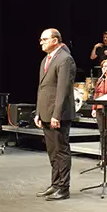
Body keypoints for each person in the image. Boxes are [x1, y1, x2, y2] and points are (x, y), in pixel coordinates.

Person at [34, 28, 76, 201]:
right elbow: (42, 88)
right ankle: (55, 184)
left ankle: (63, 188)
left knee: (61, 151)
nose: (41, 42)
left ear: (55, 40)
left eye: (45, 39)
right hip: (45, 112)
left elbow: (63, 90)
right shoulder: (46, 59)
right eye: (41, 39)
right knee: (52, 151)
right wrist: (38, 112)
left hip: (58, 114)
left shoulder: (65, 59)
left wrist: (56, 115)